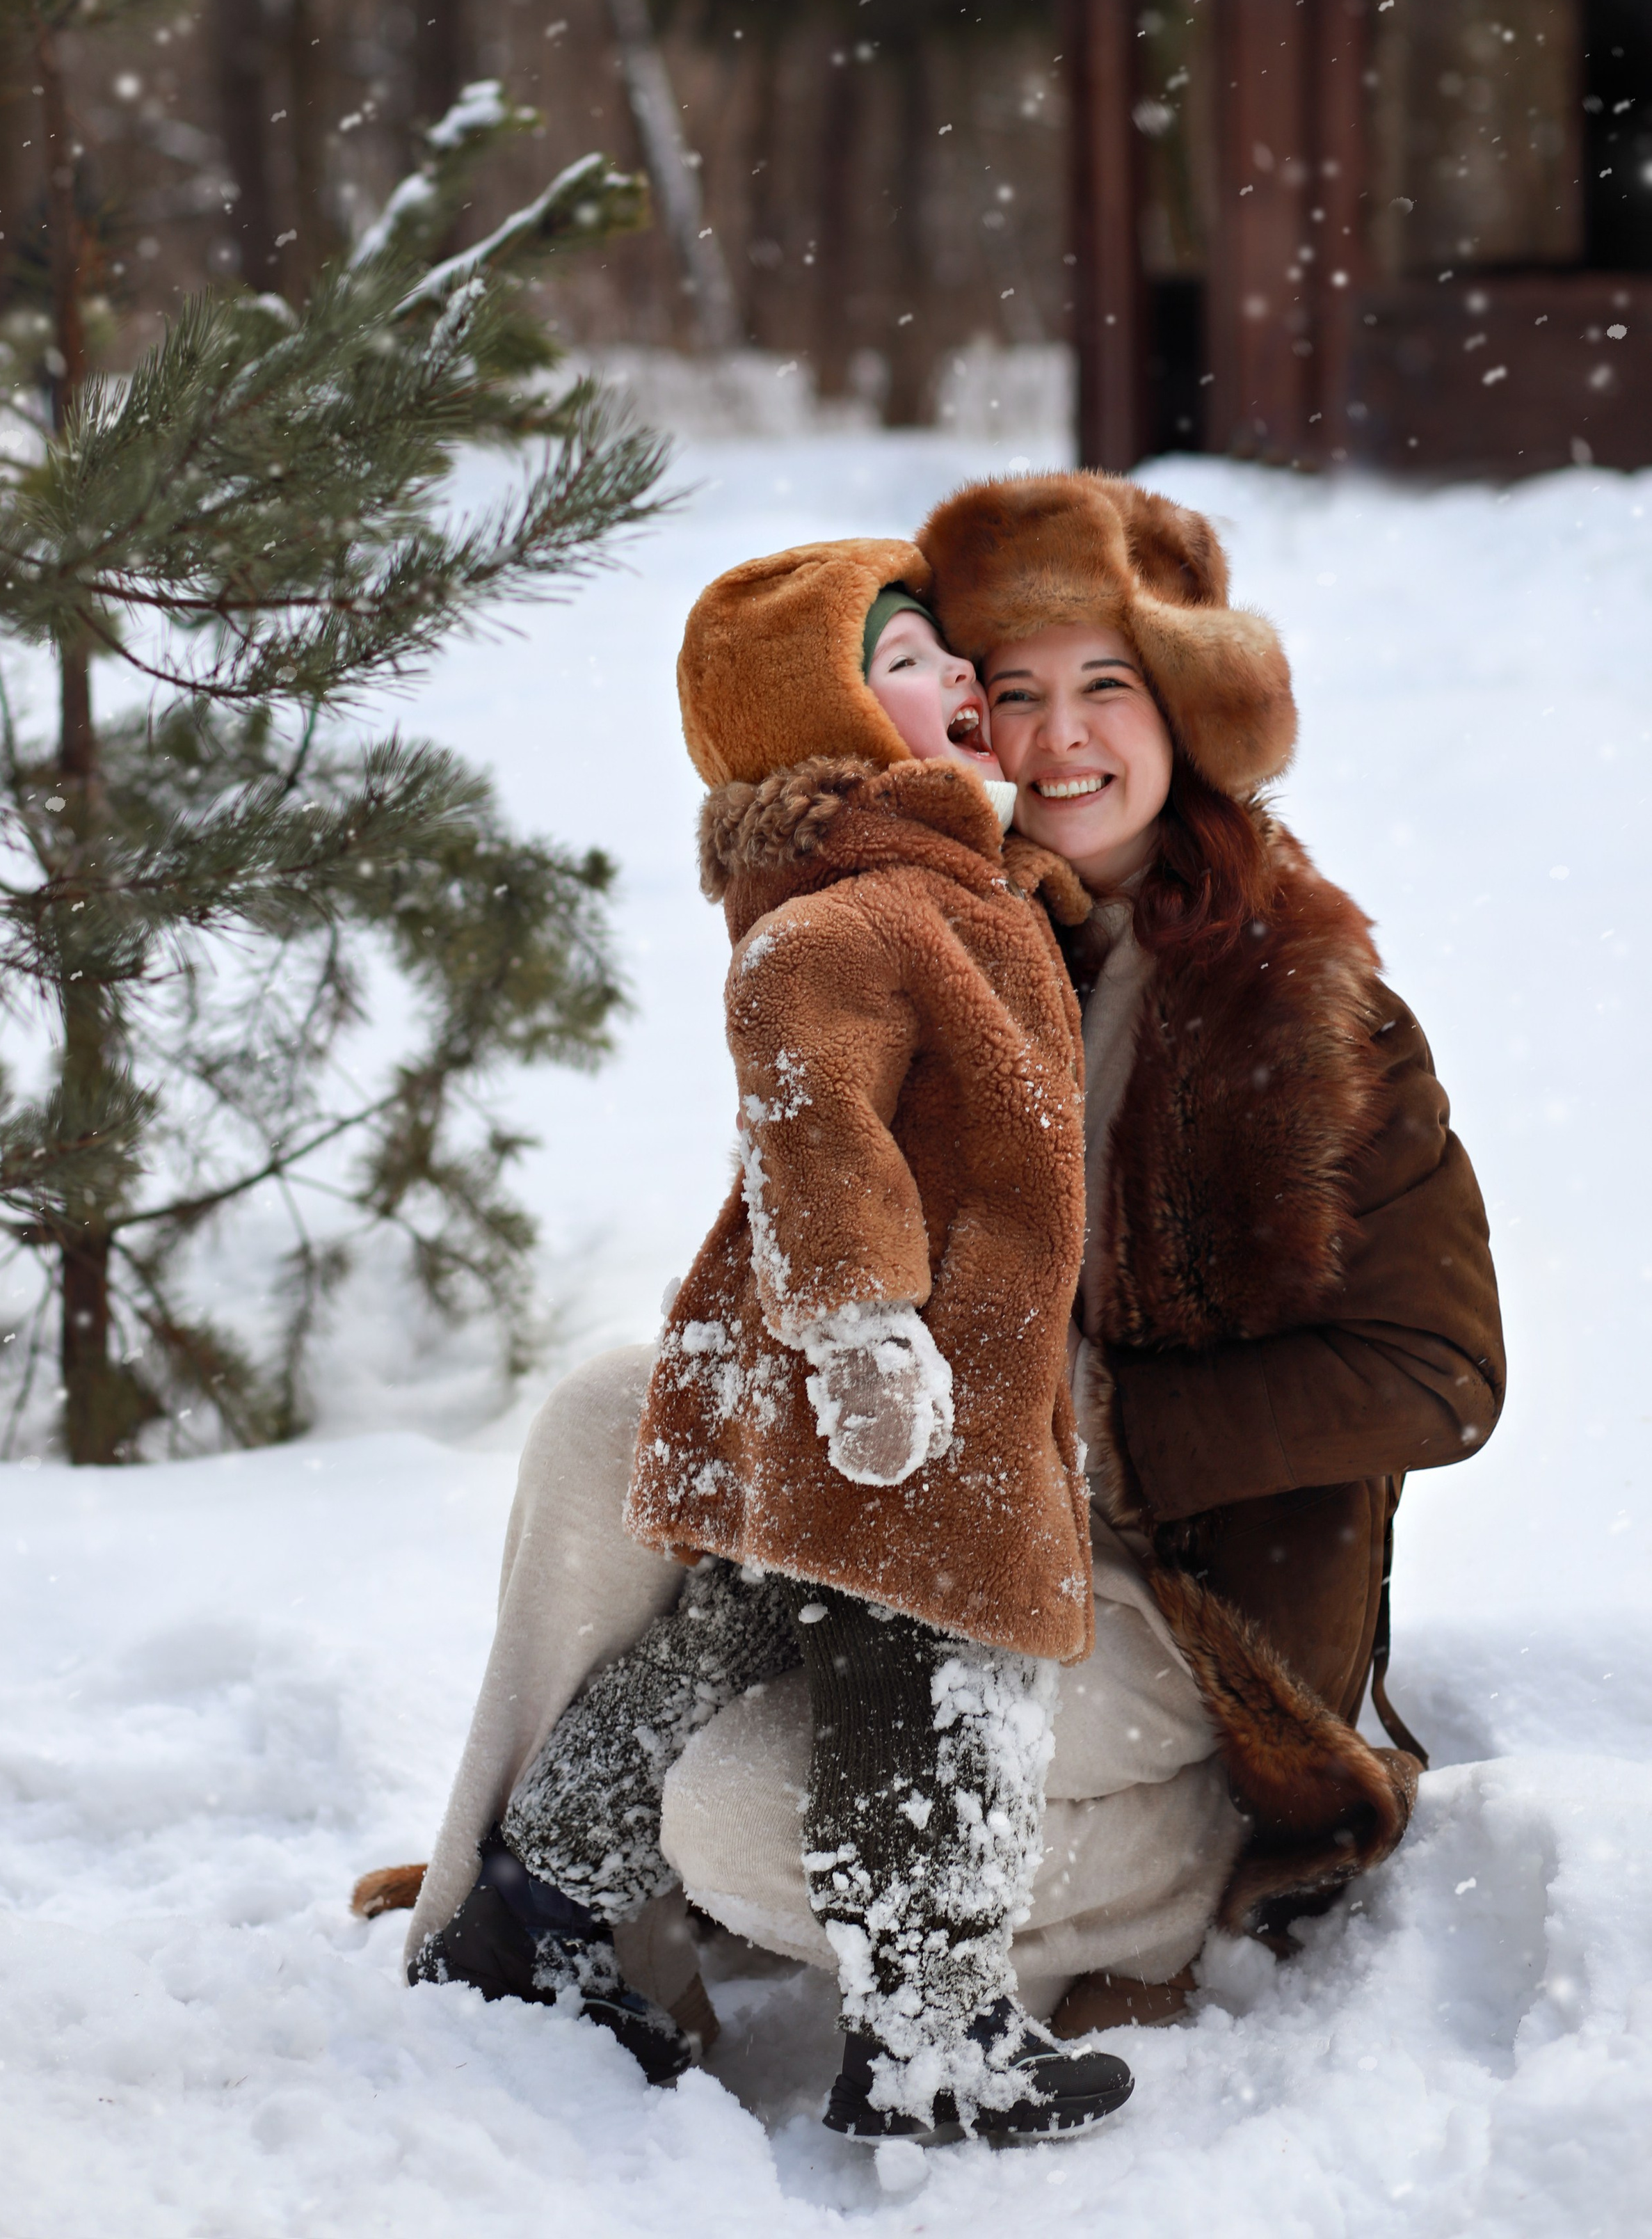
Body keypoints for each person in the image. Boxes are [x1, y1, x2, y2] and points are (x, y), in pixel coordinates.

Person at [376, 475, 1503, 2128]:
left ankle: (1061, 1925)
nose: (1053, 739)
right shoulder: (951, 924)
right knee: (612, 1415)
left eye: (1103, 687)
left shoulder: (1305, 1006)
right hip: (943, 1510)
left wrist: (1089, 1429)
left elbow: (1439, 1372)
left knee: (740, 1808)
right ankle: (526, 1929)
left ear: (1182, 712)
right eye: (1012, 688)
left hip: (1169, 1598)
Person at [402, 534, 1135, 2145]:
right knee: (937, 1680)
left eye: (949, 655)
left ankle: (533, 1900)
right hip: (889, 1391)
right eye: (907, 664)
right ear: (820, 726)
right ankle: (926, 2030)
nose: (957, 683)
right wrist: (865, 1337)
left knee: (732, 1630)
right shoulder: (847, 922)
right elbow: (815, 1133)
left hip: (853, 1378)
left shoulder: (953, 889)